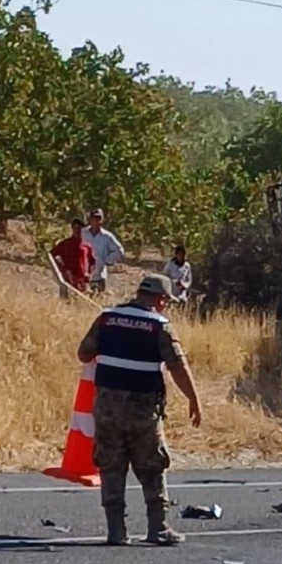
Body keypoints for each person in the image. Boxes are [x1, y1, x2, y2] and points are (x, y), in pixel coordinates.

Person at [77, 273, 203, 546]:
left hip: (107, 409)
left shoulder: (107, 318)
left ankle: (116, 531)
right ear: (161, 299)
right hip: (142, 411)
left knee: (110, 466)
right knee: (152, 466)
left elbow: (84, 353)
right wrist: (194, 399)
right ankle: (158, 528)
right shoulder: (160, 326)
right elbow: (178, 367)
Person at [82, 208, 125, 294]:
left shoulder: (107, 236)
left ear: (102, 220)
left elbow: (119, 251)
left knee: (96, 301)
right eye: (94, 218)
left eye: (98, 218)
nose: (96, 221)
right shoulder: (83, 233)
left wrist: (107, 260)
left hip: (99, 276)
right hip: (83, 275)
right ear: (90, 219)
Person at [51, 218, 95, 291]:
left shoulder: (87, 246)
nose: (77, 230)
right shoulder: (65, 244)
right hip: (68, 281)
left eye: (79, 228)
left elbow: (93, 262)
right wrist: (62, 268)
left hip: (83, 282)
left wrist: (89, 274)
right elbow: (51, 255)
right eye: (75, 228)